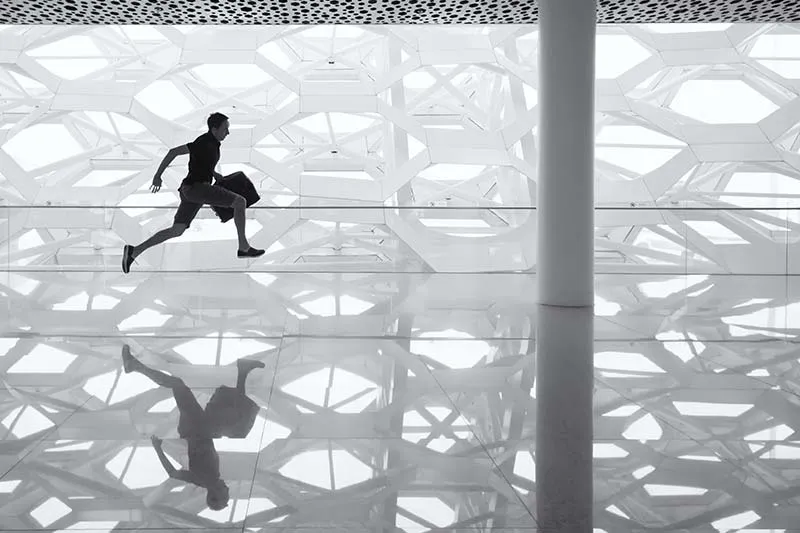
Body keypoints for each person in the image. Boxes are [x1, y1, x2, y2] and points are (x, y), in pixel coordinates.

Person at [120, 344, 265, 510]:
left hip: (196, 427)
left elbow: (173, 473)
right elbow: (174, 474)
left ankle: (134, 366)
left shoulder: (205, 479)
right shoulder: (205, 479)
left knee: (179, 385)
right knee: (238, 426)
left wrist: (158, 448)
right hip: (200, 428)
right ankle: (243, 371)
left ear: (215, 495)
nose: (227, 489)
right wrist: (158, 448)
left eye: (225, 494)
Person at [121, 112, 264, 273]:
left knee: (177, 230)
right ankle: (243, 247)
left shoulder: (213, 143)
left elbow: (201, 164)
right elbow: (173, 152)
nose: (228, 133)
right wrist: (157, 176)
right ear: (214, 129)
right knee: (240, 202)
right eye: (225, 129)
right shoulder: (203, 142)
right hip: (197, 189)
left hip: (191, 190)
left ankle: (134, 251)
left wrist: (214, 173)